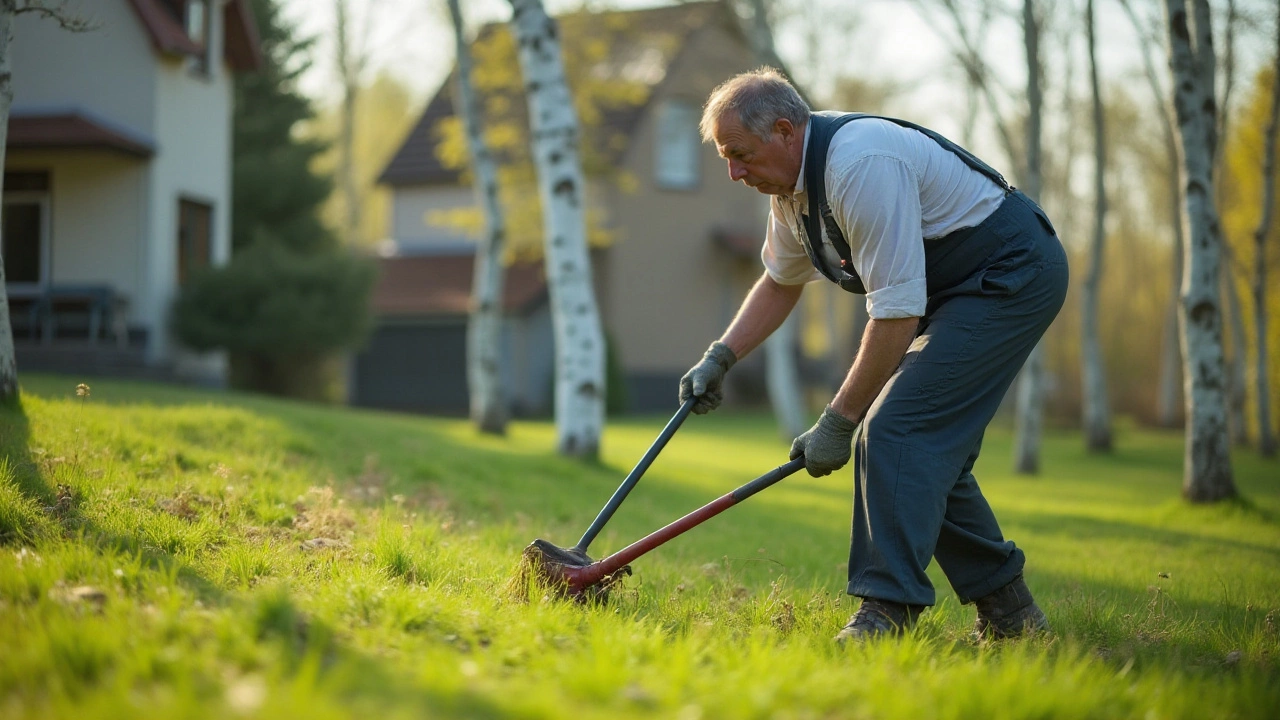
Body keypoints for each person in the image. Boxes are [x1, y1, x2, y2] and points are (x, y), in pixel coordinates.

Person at [679, 67, 1068, 642]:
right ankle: (1012, 615)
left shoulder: (860, 166)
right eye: (725, 159)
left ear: (785, 131)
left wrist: (838, 422)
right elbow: (781, 281)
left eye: (740, 154)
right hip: (954, 291)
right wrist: (721, 356)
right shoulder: (790, 189)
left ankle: (887, 612)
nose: (735, 173)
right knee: (925, 452)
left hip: (1010, 273)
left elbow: (895, 314)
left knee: (895, 429)